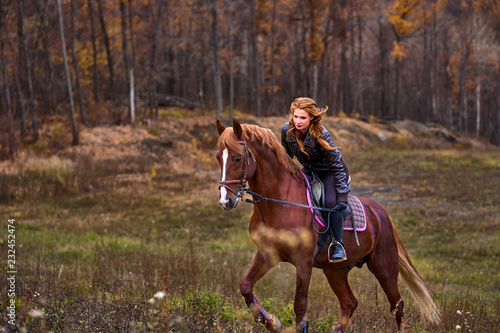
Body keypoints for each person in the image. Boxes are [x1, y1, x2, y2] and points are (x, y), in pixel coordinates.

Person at [281, 97, 350, 262]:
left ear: (311, 117)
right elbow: (286, 155)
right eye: (295, 117)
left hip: (330, 172)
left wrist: (342, 197)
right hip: (309, 170)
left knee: (329, 204)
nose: (298, 121)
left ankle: (338, 244)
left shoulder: (321, 134)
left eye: (303, 118)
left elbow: (337, 166)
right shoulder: (286, 130)